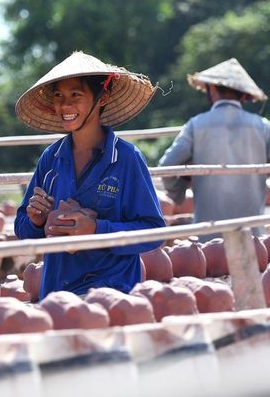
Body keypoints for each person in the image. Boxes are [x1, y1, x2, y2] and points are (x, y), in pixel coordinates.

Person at [13, 51, 166, 300]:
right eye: (59, 96)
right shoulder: (51, 159)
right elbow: (23, 230)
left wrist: (96, 229)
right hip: (58, 294)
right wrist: (36, 221)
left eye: (76, 95)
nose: (65, 105)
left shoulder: (126, 158)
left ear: (102, 96)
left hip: (114, 294)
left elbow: (154, 232)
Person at [158, 58, 270, 237]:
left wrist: (179, 190)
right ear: (243, 93)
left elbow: (166, 165)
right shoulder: (261, 126)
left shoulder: (196, 125)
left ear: (213, 88)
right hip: (253, 235)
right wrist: (260, 161)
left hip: (208, 237)